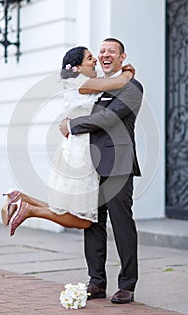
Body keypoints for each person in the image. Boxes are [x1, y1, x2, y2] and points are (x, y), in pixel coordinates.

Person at [1, 46, 135, 236]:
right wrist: (128, 71)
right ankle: (29, 210)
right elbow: (121, 82)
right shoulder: (82, 82)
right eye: (90, 58)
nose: (95, 60)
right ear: (78, 67)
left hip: (75, 148)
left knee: (65, 208)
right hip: (81, 153)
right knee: (84, 221)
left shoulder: (80, 82)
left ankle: (21, 198)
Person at [59, 38, 143, 304]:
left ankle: (127, 285)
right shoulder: (93, 87)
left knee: (122, 225)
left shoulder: (132, 86)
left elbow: (108, 119)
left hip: (118, 165)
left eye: (112, 51)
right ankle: (96, 282)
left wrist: (73, 125)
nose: (105, 55)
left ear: (122, 57)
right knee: (93, 225)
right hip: (89, 166)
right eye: (101, 51)